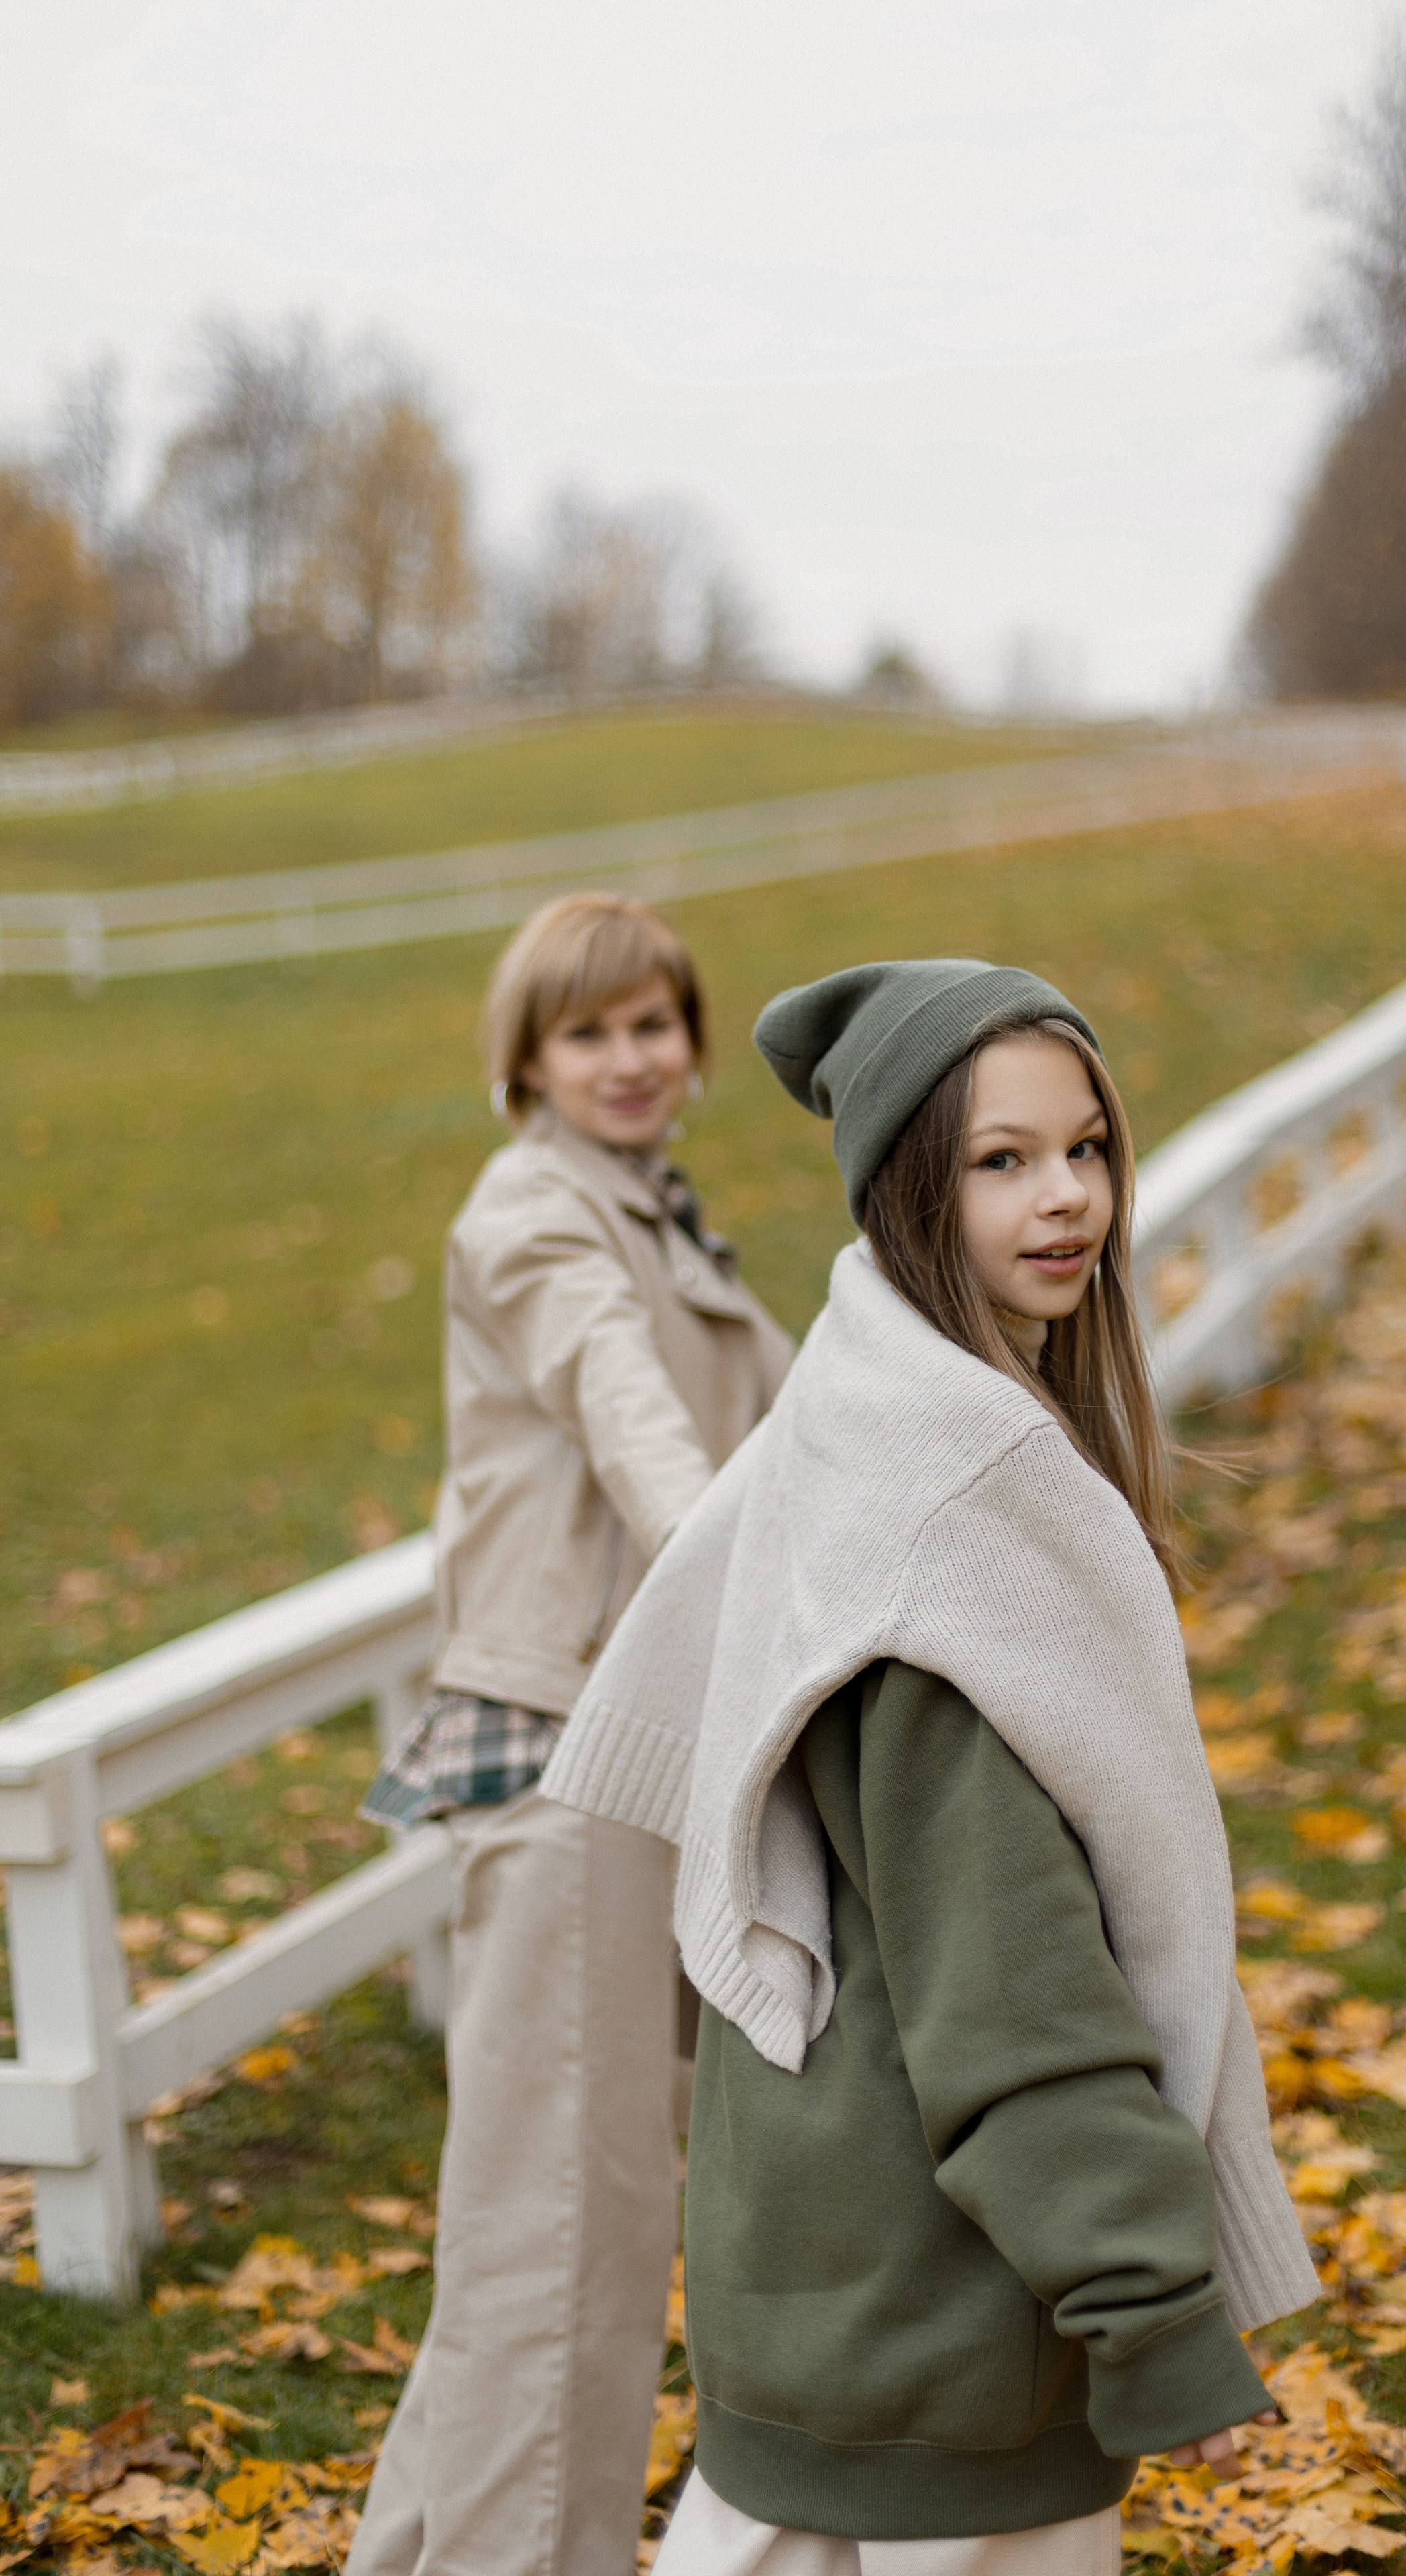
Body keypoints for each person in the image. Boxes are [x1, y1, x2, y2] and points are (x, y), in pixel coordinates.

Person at [540, 958, 1317, 2576]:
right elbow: (1009, 1989)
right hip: (949, 2311)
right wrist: (1149, 2307)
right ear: (904, 1186)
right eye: (998, 1160)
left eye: (1084, 1147)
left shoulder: (845, 1422)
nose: (1066, 1197)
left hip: (813, 2274)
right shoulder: (950, 1526)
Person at [349, 893, 794, 2576]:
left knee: (537, 2232)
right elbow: (620, 1397)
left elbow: (792, 1427)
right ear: (527, 1059)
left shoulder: (662, 1218)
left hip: (644, 1742)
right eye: (586, 1032)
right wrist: (718, 1566)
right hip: (569, 1750)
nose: (627, 1059)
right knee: (562, 2242)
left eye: (651, 1024)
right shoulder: (535, 1211)